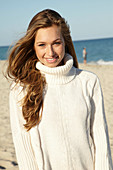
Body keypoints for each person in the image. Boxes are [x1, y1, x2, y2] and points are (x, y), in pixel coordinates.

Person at [6, 9, 113, 170]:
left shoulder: (88, 82)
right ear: (33, 47)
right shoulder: (21, 90)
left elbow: (101, 142)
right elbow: (24, 150)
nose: (50, 52)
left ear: (65, 42)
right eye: (42, 45)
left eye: (56, 43)